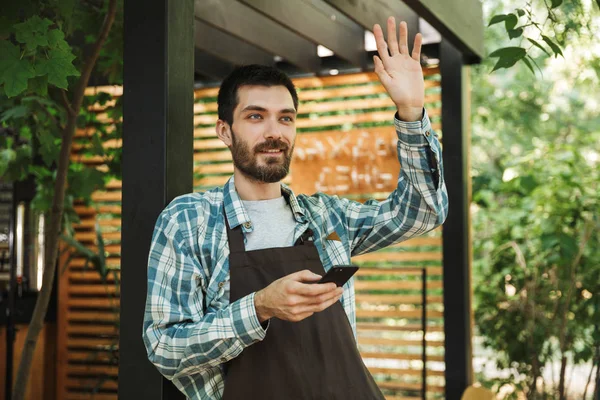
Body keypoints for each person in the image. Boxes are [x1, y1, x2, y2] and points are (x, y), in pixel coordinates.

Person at [143, 17, 448, 399]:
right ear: (224, 130)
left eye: (285, 118)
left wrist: (411, 111)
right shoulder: (189, 220)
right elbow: (165, 348)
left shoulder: (328, 218)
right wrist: (258, 308)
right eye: (256, 116)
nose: (274, 131)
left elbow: (422, 212)